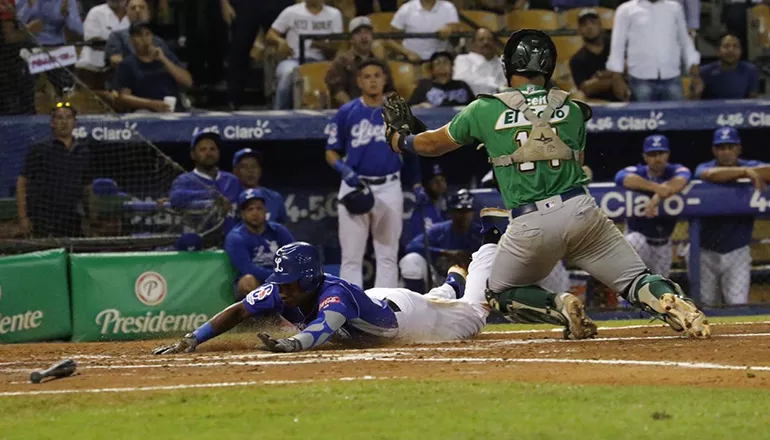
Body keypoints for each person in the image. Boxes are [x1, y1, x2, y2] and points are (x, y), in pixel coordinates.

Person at [383, 29, 711, 339]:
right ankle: (675, 302)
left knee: (499, 293)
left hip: (531, 224)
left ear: (508, 64)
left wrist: (400, 139)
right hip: (583, 213)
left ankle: (561, 307)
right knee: (637, 280)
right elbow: (571, 152)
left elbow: (431, 145)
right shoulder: (573, 109)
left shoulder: (484, 108)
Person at [152, 239, 494, 354]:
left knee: (476, 314)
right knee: (439, 298)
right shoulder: (282, 291)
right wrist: (193, 338)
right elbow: (240, 310)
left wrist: (293, 344)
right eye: (281, 282)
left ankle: (486, 248)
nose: (283, 290)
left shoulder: (334, 296)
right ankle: (451, 282)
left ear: (310, 278)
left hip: (407, 318)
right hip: (376, 300)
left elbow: (323, 328)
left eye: (290, 283)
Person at [325, 59, 419, 288]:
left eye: (377, 75)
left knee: (387, 254)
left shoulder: (397, 111)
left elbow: (412, 148)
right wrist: (344, 169)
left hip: (389, 186)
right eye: (367, 76)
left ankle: (383, 309)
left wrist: (417, 183)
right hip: (356, 186)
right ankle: (351, 310)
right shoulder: (347, 111)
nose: (373, 80)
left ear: (384, 79)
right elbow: (331, 151)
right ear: (359, 82)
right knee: (351, 257)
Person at [694, 127, 768, 307]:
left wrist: (746, 170)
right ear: (714, 150)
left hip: (738, 250)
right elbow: (707, 174)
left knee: (737, 303)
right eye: (721, 147)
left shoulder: (750, 164)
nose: (726, 152)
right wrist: (744, 173)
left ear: (738, 149)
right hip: (706, 251)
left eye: (730, 147)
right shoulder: (706, 167)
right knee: (706, 303)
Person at [614, 135, 691, 277]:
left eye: (661, 153)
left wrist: (657, 197)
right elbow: (621, 177)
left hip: (663, 244)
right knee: (635, 244)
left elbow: (682, 179)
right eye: (652, 154)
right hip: (638, 239)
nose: (657, 158)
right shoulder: (638, 171)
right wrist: (657, 188)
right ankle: (626, 298)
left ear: (668, 154)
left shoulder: (675, 170)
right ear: (644, 156)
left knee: (658, 290)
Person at [16, 102, 92, 237]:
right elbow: (22, 182)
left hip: (72, 218)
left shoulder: (83, 151)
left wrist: (90, 217)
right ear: (52, 123)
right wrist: (23, 217)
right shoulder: (40, 149)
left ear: (75, 123)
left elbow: (87, 186)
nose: (64, 122)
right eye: (59, 118)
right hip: (44, 218)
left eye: (68, 118)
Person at [607, 0, 702, 102]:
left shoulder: (675, 8)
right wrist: (616, 77)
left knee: (676, 116)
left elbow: (685, 40)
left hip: (671, 77)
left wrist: (694, 70)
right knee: (644, 117)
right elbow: (617, 45)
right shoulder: (625, 10)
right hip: (640, 79)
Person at [266, 0, 343, 110]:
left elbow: (337, 44)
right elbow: (270, 34)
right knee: (287, 73)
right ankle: (280, 113)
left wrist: (318, 44)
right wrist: (280, 41)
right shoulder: (291, 11)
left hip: (321, 60)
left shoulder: (334, 14)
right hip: (294, 59)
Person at [400, 190, 481, 293]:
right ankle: (416, 299)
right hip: (439, 280)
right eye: (459, 211)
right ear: (451, 212)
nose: (463, 215)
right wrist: (444, 252)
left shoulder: (479, 233)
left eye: (467, 211)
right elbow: (411, 246)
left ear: (473, 213)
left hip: (471, 282)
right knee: (411, 260)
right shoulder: (440, 230)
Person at [224, 189, 296, 300]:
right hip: (258, 280)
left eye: (259, 208)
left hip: (281, 277)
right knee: (247, 280)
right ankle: (257, 316)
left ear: (265, 210)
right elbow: (247, 268)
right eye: (250, 209)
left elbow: (294, 255)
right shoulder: (235, 237)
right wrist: (277, 277)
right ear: (242, 214)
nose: (255, 213)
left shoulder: (279, 230)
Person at [221, 0, 292, 109]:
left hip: (278, 3)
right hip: (246, 4)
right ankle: (233, 100)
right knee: (239, 48)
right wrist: (224, 3)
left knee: (283, 48)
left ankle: (282, 100)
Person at [169, 132, 241, 236]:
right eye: (203, 149)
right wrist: (212, 195)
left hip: (230, 242)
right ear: (193, 155)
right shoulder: (185, 180)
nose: (208, 153)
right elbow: (176, 198)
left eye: (213, 149)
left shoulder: (232, 181)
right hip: (199, 243)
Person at [114, 21, 193, 112]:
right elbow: (124, 96)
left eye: (147, 34)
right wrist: (150, 104)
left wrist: (163, 59)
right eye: (139, 36)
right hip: (145, 110)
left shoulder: (167, 56)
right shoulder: (127, 64)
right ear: (132, 40)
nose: (144, 39)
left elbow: (188, 82)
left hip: (174, 108)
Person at [325, 16, 395, 108]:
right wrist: (357, 109)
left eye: (367, 33)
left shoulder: (380, 63)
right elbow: (337, 92)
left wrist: (379, 106)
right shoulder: (341, 62)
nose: (364, 37)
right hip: (350, 112)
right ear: (351, 39)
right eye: (358, 33)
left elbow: (389, 91)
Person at [16, 0, 83, 93]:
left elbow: (78, 29)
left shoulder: (67, 1)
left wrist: (67, 14)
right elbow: (16, 24)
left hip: (57, 50)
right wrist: (30, 7)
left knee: (66, 89)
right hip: (29, 48)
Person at [569, 8, 627, 102]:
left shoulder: (615, 46)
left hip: (626, 95)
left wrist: (602, 77)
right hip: (598, 103)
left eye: (593, 22)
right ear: (579, 30)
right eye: (584, 24)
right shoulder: (576, 60)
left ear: (600, 26)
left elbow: (629, 66)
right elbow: (586, 88)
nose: (589, 27)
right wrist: (614, 79)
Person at [104, 0, 172, 69]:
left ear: (149, 14)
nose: (137, 10)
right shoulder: (117, 36)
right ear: (127, 13)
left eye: (142, 7)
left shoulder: (158, 41)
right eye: (133, 8)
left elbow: (171, 64)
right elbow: (116, 61)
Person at [390, 0, 461, 61]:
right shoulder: (406, 8)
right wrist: (408, 53)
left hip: (440, 61)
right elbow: (389, 39)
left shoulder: (448, 7)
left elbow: (456, 39)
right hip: (412, 61)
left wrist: (449, 29)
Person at [232, 148, 287, 224]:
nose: (250, 170)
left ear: (260, 171)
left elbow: (281, 230)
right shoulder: (230, 198)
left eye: (254, 166)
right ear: (235, 172)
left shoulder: (275, 198)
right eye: (244, 167)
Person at [698, 34, 759, 100]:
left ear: (741, 51)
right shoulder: (704, 72)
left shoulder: (750, 70)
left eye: (735, 46)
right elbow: (694, 101)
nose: (731, 50)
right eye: (726, 46)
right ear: (718, 51)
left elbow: (753, 102)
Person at [75, 0, 129, 74]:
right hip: (93, 68)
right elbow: (94, 42)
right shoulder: (95, 12)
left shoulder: (133, 12)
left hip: (126, 67)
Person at [409, 51, 474, 108]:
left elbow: (475, 107)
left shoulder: (462, 85)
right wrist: (419, 106)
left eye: (445, 62)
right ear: (432, 69)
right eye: (437, 63)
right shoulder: (424, 85)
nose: (442, 66)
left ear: (452, 67)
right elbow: (410, 108)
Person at [402, 163, 447, 246]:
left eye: (442, 180)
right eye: (435, 181)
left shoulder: (448, 206)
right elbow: (413, 243)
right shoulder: (421, 210)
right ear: (426, 185)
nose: (440, 184)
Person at [452, 27, 506, 96]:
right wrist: (497, 85)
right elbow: (461, 82)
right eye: (481, 40)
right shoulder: (463, 60)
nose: (486, 42)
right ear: (473, 43)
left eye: (489, 39)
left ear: (495, 43)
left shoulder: (502, 62)